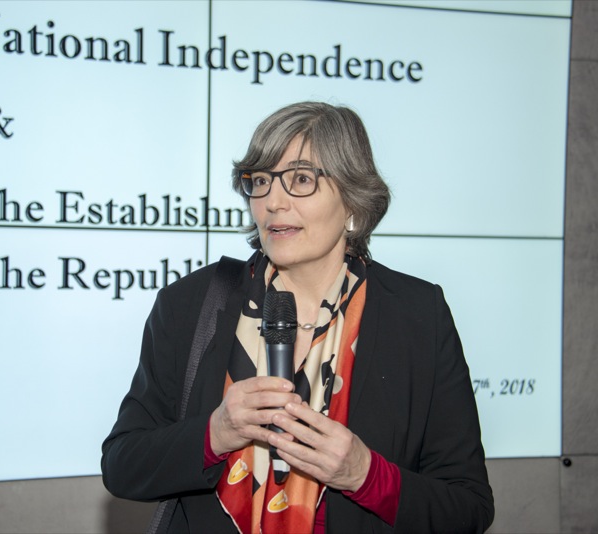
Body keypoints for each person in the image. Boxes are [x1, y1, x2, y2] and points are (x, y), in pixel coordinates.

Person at [101, 102, 494, 533]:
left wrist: (365, 475)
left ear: (353, 202)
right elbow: (122, 466)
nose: (273, 202)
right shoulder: (190, 303)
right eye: (260, 181)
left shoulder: (418, 315)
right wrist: (215, 433)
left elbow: (468, 508)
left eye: (301, 179)